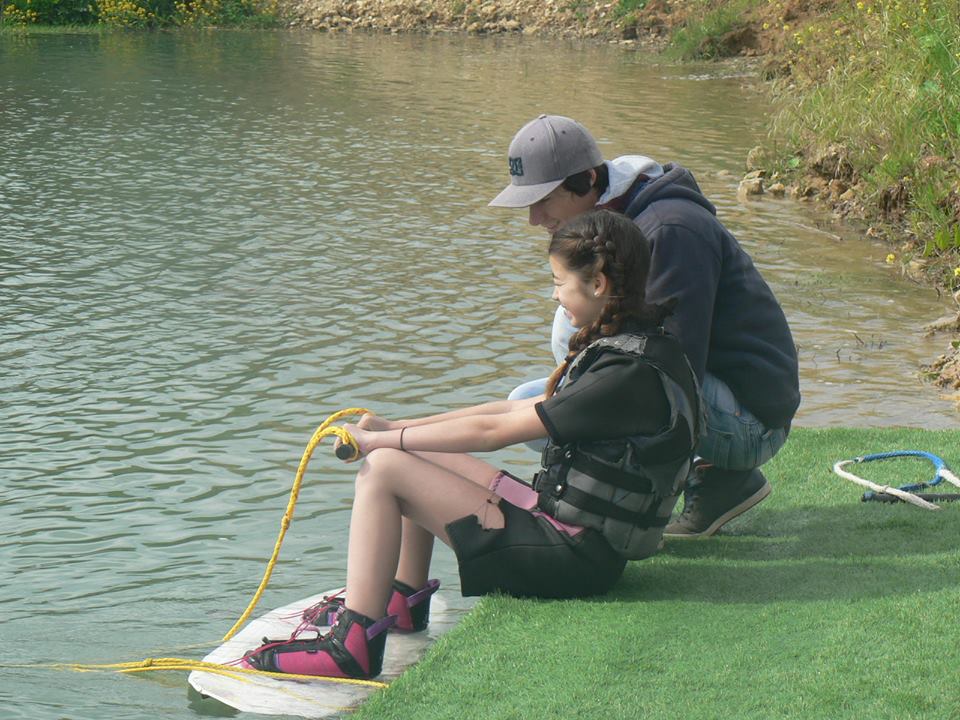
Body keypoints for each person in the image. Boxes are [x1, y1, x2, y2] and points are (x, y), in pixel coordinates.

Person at [242, 210, 701, 680]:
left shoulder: (624, 375)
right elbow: (504, 411)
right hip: (577, 541)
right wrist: (397, 428)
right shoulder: (639, 349)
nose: (554, 295)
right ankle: (400, 600)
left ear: (598, 284)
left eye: (559, 283)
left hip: (572, 559)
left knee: (383, 470)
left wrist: (378, 442)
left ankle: (352, 648)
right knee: (411, 451)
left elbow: (491, 434)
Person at [490, 114, 800, 538]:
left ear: (587, 180)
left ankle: (703, 479)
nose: (534, 218)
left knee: (564, 400)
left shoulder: (670, 230)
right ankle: (708, 477)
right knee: (533, 398)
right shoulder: (616, 220)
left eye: (543, 199)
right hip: (711, 388)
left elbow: (673, 372)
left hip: (750, 421)